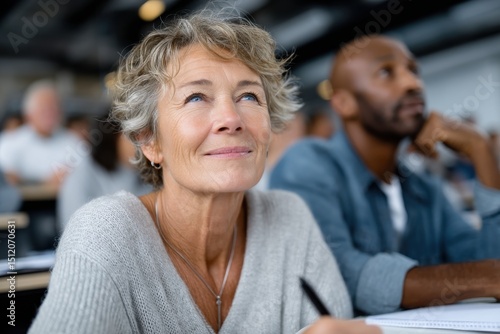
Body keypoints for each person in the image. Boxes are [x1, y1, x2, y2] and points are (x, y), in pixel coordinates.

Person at [29, 11, 381, 334]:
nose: (231, 119)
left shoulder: (290, 217)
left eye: (249, 97)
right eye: (197, 97)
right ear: (151, 141)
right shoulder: (105, 231)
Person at [270, 35, 500, 315]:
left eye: (413, 70)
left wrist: (482, 153)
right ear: (344, 103)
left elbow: (486, 263)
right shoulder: (308, 163)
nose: (412, 83)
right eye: (386, 72)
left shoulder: (422, 187)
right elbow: (340, 275)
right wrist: (487, 277)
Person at [57, 115, 151, 230]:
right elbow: (72, 227)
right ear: (113, 136)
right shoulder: (82, 174)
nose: (143, 143)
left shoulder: (147, 173)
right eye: (133, 136)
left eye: (147, 135)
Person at [0, 80, 81, 186]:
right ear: (28, 114)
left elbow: (84, 173)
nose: (50, 114)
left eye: (54, 108)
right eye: (44, 109)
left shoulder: (73, 140)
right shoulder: (10, 141)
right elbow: (7, 176)